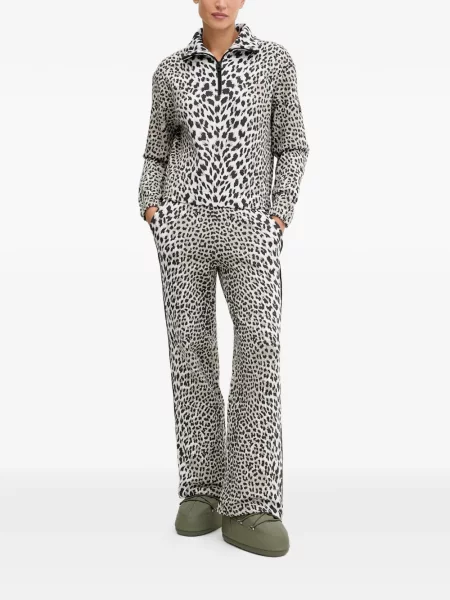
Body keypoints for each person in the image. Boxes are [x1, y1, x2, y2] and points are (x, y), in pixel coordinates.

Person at [138, 1, 309, 558]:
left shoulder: (274, 61)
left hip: (250, 227)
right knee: (190, 350)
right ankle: (203, 490)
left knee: (258, 346)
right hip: (183, 226)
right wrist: (151, 207)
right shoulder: (170, 71)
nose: (219, 1)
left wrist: (277, 212)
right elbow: (156, 152)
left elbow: (292, 145)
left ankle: (251, 502)